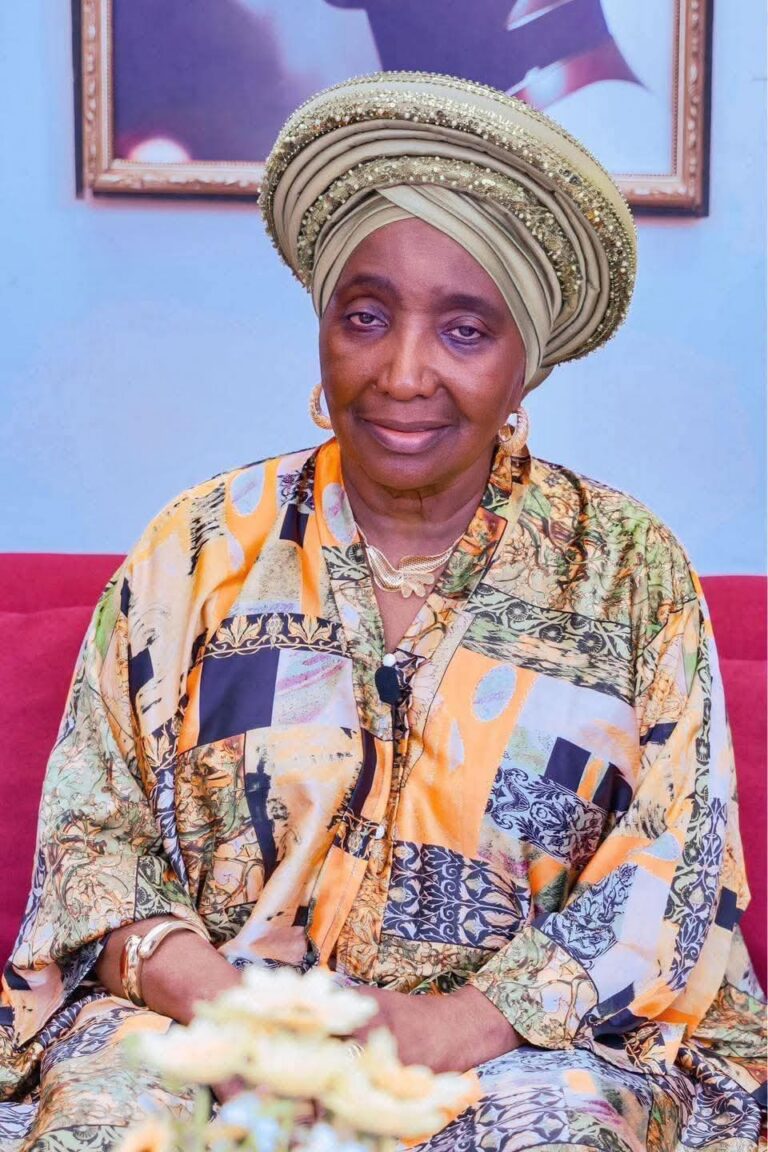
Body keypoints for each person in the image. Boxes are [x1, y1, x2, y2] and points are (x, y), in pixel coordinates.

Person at [1, 72, 764, 1152]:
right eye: (366, 317)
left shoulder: (631, 574)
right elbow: (96, 838)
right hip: (205, 1026)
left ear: (525, 363)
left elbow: (670, 871)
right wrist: (236, 1019)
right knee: (110, 1123)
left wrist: (442, 1028)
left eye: (466, 330)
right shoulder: (200, 546)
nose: (404, 374)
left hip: (524, 1052)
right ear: (325, 330)